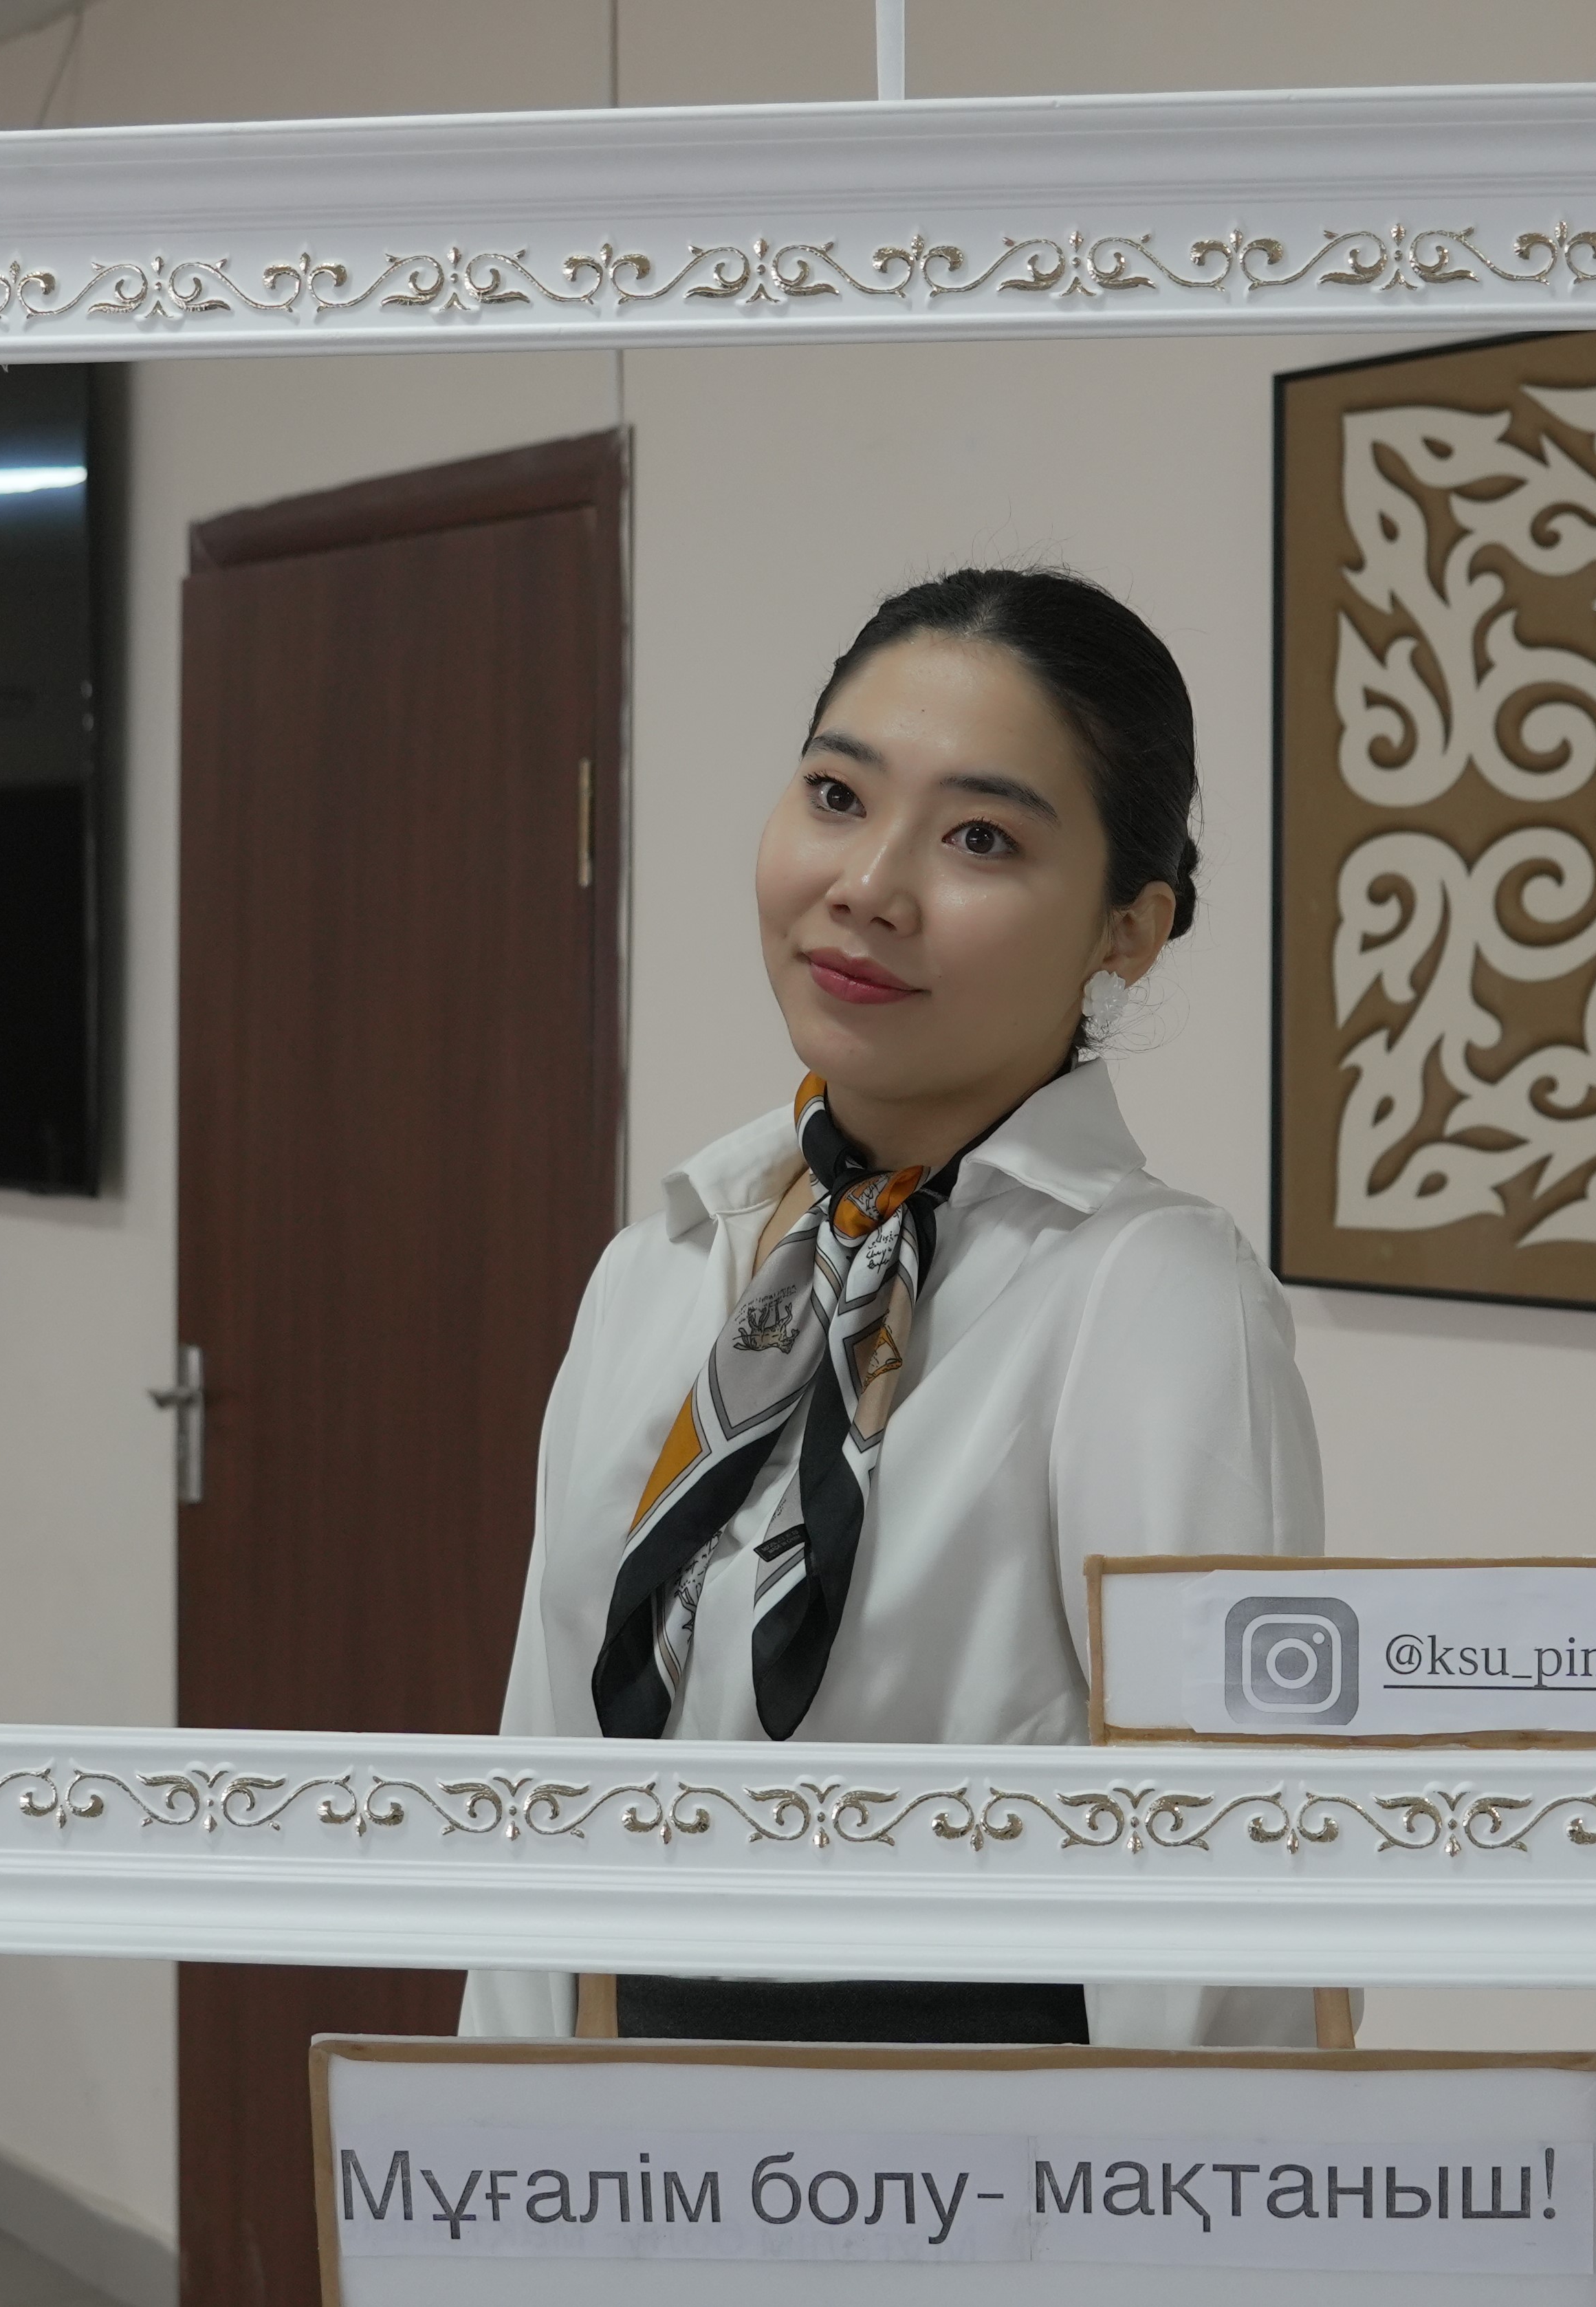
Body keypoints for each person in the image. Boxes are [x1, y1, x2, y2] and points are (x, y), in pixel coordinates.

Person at [460, 567, 1323, 2048]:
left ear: (1129, 929)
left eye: (982, 836)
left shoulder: (1150, 1298)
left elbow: (1217, 1895)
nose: (869, 885)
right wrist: (490, 2145)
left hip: (986, 2152)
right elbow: (543, 1772)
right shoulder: (667, 1261)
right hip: (626, 2141)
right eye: (837, 796)